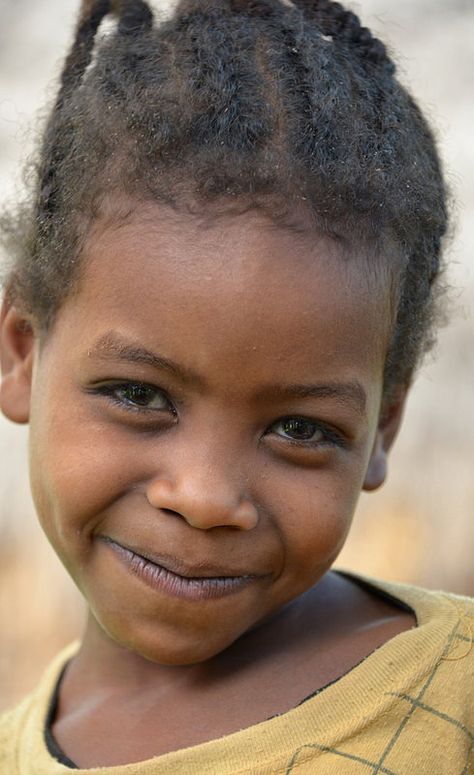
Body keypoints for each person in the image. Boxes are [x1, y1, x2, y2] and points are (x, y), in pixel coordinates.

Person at [0, 0, 472, 772]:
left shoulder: (457, 704)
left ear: (384, 425)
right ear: (21, 351)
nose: (207, 496)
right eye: (140, 395)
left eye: (300, 427)